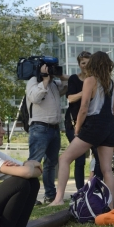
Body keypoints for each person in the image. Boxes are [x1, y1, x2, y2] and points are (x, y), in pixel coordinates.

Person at [48, 51, 114, 208]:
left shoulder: (90, 80)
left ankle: (58, 199)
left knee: (64, 159)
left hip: (94, 124)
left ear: (93, 64)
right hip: (109, 127)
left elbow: (84, 107)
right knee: (107, 169)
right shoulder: (112, 84)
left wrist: (77, 129)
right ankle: (111, 206)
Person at [26, 63, 69, 204]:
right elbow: (34, 98)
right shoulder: (33, 81)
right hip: (39, 128)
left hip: (54, 128)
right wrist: (44, 80)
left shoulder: (54, 84)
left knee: (51, 164)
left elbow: (68, 85)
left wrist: (60, 75)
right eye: (48, 68)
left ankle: (50, 195)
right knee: (34, 163)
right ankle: (28, 196)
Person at [65, 51, 91, 190]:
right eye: (83, 63)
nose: (85, 66)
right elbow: (70, 98)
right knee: (79, 158)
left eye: (88, 63)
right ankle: (80, 190)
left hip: (91, 123)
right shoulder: (74, 79)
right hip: (73, 123)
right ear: (79, 65)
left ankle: (95, 188)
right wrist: (86, 92)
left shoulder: (95, 80)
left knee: (99, 158)